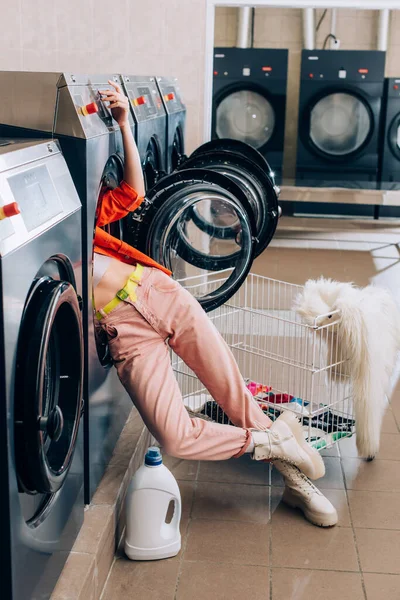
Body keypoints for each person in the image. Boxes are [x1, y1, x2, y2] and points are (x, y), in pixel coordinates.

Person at [93, 80, 338, 528]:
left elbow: (131, 194)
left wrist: (126, 126)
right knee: (174, 436)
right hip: (122, 332)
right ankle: (275, 443)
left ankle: (298, 485)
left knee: (235, 396)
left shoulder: (58, 210)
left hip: (155, 292)